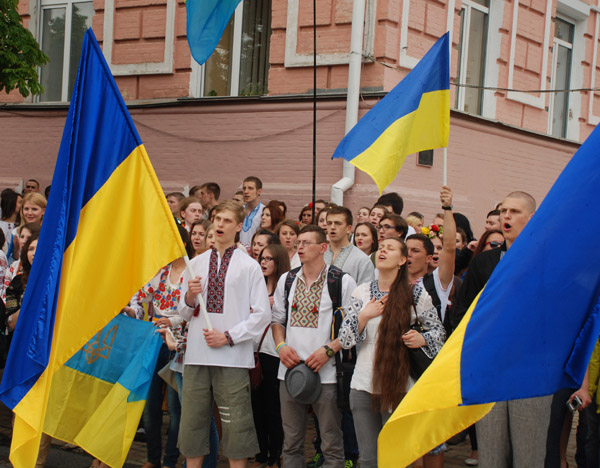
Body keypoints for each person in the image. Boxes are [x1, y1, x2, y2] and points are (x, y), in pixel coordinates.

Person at [454, 191, 552, 468]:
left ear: (531, 218)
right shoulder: (484, 262)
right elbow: (462, 312)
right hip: (489, 370)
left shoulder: (547, 261)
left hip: (531, 373)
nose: (506, 216)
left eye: (514, 211)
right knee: (491, 455)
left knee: (529, 456)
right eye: (504, 210)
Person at [178, 200, 271, 468]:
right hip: (197, 354)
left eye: (227, 220)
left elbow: (262, 314)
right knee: (193, 422)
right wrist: (190, 296)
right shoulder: (195, 263)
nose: (220, 224)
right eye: (217, 218)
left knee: (236, 424)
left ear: (239, 226)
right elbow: (183, 312)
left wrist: (229, 336)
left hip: (233, 357)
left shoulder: (249, 266)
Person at [338, 237, 445, 468]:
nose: (383, 251)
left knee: (395, 460)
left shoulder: (416, 294)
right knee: (368, 459)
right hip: (363, 384)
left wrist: (422, 338)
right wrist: (364, 315)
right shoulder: (361, 292)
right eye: (381, 247)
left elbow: (439, 333)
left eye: (390, 248)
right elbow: (345, 340)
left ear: (402, 260)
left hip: (400, 387)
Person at [271, 225, 357, 468]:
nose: (300, 247)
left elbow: (353, 326)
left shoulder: (342, 281)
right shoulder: (287, 279)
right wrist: (281, 346)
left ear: (323, 248)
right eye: (298, 242)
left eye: (306, 243)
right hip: (290, 372)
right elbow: (277, 320)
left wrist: (329, 350)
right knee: (291, 441)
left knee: (331, 441)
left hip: (327, 373)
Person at [137, 225, 194, 468]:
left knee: (174, 405)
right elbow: (142, 298)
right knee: (149, 404)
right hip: (154, 337)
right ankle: (153, 458)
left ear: (182, 242)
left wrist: (172, 321)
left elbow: (195, 309)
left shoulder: (193, 270)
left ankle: (170, 460)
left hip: (179, 341)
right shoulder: (161, 271)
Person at [251, 244, 291, 468]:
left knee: (273, 409)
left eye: (269, 259)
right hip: (253, 351)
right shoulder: (255, 286)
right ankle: (261, 454)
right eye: (261, 258)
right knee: (256, 408)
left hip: (274, 353)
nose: (263, 263)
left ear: (279, 261)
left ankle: (275, 455)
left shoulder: (285, 288)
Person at [324, 206, 374, 285]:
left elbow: (365, 290)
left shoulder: (362, 260)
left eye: (338, 223)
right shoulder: (318, 254)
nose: (332, 227)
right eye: (329, 223)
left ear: (349, 228)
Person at [240, 176, 265, 251]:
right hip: (239, 251)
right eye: (244, 188)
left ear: (259, 191)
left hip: (256, 252)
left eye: (250, 188)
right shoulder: (238, 210)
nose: (246, 191)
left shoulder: (264, 212)